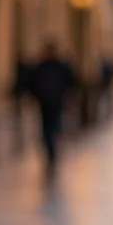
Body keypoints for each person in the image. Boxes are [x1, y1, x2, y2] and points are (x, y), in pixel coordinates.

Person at [27, 41, 77, 185]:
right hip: (45, 104)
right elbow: (32, 83)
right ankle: (51, 155)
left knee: (52, 129)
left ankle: (52, 156)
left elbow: (71, 82)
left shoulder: (58, 67)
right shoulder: (41, 67)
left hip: (55, 104)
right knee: (47, 131)